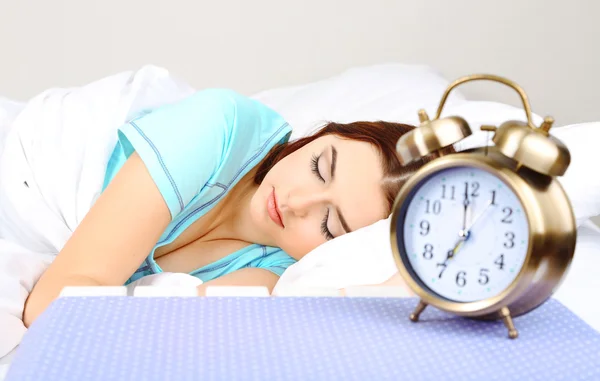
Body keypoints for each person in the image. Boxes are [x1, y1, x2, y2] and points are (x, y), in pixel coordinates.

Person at [22, 88, 439, 327]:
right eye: (318, 167)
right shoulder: (216, 126)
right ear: (320, 135)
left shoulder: (277, 272)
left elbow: (172, 337)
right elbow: (51, 307)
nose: (296, 203)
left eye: (329, 224)